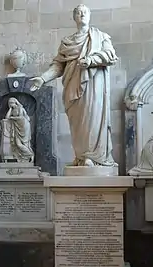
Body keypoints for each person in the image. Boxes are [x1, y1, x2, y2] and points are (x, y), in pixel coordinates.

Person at [30, 4, 118, 167]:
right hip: (72, 86)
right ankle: (80, 156)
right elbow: (58, 66)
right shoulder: (67, 42)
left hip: (93, 85)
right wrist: (42, 79)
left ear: (90, 15)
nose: (81, 14)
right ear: (74, 17)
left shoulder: (100, 37)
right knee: (77, 123)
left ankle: (92, 157)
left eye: (85, 12)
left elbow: (110, 56)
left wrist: (91, 60)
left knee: (92, 119)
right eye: (78, 12)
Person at [1, 97, 34, 163]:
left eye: (11, 103)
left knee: (24, 143)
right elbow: (7, 117)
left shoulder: (20, 108)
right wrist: (10, 109)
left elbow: (21, 117)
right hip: (16, 127)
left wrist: (12, 118)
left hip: (24, 126)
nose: (10, 104)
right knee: (18, 144)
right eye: (9, 103)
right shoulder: (12, 110)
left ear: (15, 102)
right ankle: (27, 154)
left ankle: (30, 155)